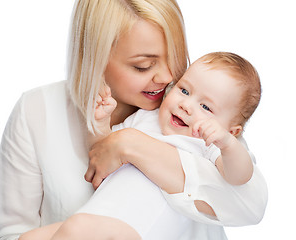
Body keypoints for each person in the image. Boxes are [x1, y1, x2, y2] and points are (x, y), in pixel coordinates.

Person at [0, 0, 268, 239]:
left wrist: (131, 145)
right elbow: (101, 153)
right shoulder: (36, 110)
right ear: (94, 57)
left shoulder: (206, 121)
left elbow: (249, 203)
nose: (168, 77)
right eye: (143, 66)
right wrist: (104, 130)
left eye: (174, 57)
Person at [30, 51, 262, 240]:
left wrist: (229, 145)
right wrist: (101, 124)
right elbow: (103, 153)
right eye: (184, 90)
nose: (186, 105)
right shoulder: (145, 119)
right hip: (99, 212)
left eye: (206, 107)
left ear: (232, 131)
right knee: (32, 237)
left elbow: (239, 177)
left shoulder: (207, 145)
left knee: (78, 228)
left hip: (134, 227)